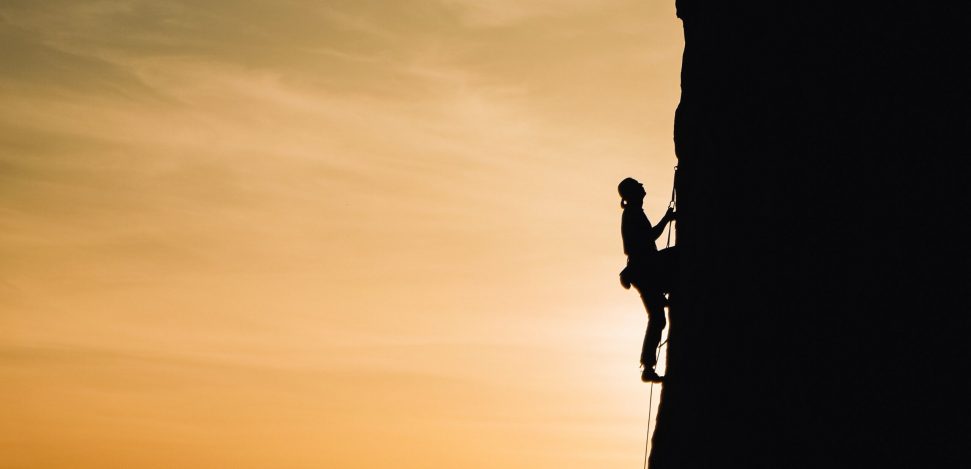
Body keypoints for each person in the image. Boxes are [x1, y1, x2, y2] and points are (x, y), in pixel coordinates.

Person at [617, 177, 677, 382]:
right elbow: (649, 237)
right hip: (645, 270)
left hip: (644, 270)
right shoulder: (632, 214)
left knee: (658, 318)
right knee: (657, 318)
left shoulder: (633, 213)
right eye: (639, 186)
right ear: (633, 193)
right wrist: (667, 218)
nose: (644, 187)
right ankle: (648, 366)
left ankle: (648, 366)